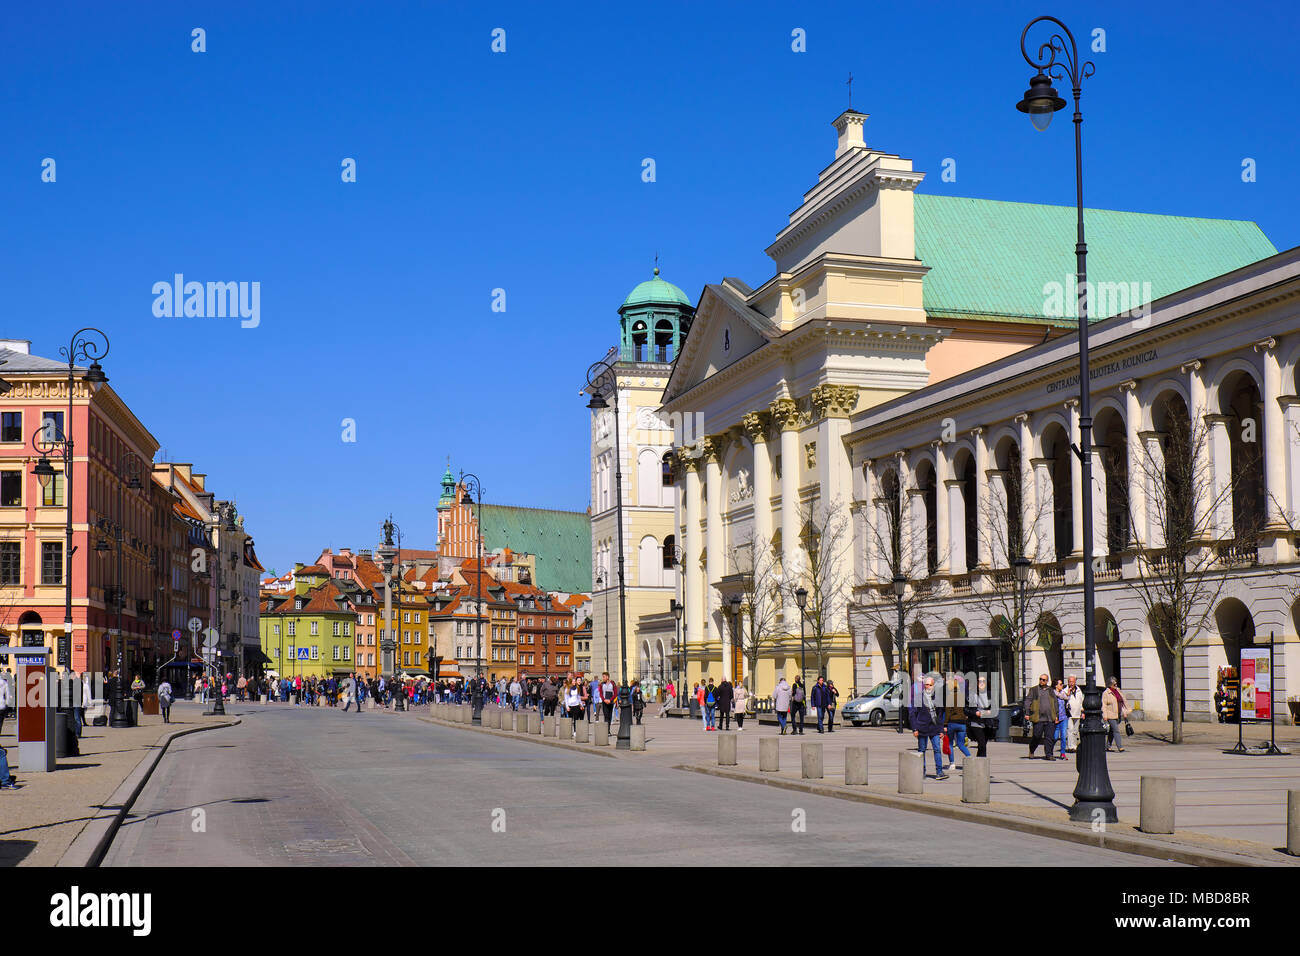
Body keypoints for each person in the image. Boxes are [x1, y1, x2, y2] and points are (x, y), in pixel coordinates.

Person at [909, 675, 948, 780]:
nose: (928, 687)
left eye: (930, 685)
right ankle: (922, 772)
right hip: (922, 727)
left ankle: (939, 772)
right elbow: (912, 714)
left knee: (937, 749)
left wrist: (941, 730)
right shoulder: (919, 697)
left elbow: (940, 715)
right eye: (926, 684)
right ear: (924, 685)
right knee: (922, 750)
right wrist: (914, 729)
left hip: (934, 728)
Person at [1024, 673, 1058, 759]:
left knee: (1049, 737)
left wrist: (1057, 715)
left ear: (1047, 681)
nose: (1041, 681)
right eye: (1040, 679)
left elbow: (1055, 702)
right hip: (1038, 718)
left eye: (1043, 680)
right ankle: (1032, 750)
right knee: (1037, 736)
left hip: (1050, 718)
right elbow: (1028, 701)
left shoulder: (1050, 690)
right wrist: (1027, 713)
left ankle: (1049, 754)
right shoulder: (1034, 690)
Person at [945, 677, 972, 771]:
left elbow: (948, 712)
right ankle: (969, 758)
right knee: (961, 744)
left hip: (952, 722)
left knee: (949, 743)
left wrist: (945, 724)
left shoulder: (950, 697)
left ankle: (952, 763)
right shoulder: (962, 696)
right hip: (962, 723)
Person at [967, 675, 995, 758]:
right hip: (976, 723)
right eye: (979, 681)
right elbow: (966, 709)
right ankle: (982, 765)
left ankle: (978, 764)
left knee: (982, 746)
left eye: (983, 681)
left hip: (987, 723)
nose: (981, 683)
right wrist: (975, 713)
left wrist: (991, 711)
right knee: (982, 744)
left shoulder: (990, 694)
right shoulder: (972, 694)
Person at [1102, 677, 1130, 752]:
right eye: (1114, 684)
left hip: (1118, 713)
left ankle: (1108, 746)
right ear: (1110, 685)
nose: (1116, 685)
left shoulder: (1118, 691)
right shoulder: (1106, 693)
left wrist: (1124, 712)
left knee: (1112, 730)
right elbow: (1104, 705)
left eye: (1116, 684)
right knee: (1116, 730)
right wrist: (1105, 715)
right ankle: (1120, 746)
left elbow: (1121, 702)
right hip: (1110, 714)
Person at [1062, 675, 1084, 752]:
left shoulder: (1079, 690)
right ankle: (1070, 746)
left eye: (1072, 681)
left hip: (1077, 713)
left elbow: (1081, 701)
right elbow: (1064, 699)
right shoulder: (1065, 690)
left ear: (1075, 682)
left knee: (1075, 730)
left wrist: (1082, 711)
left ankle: (1075, 746)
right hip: (1069, 714)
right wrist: (1068, 693)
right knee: (1070, 730)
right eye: (1069, 681)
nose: (1071, 683)